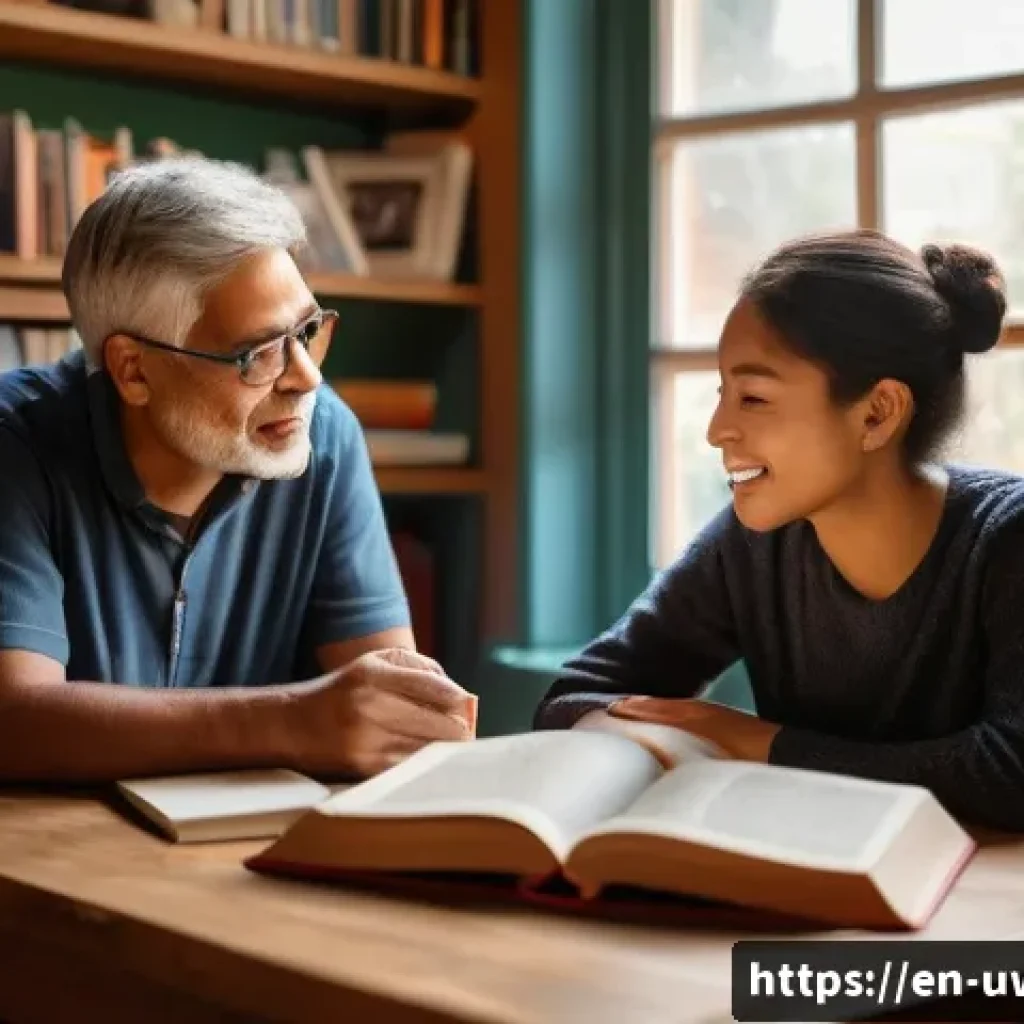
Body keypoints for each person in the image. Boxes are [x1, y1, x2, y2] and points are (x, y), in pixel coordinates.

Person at [0, 157, 474, 784]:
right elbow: (15, 721)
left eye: (308, 330)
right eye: (258, 353)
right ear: (133, 370)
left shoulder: (324, 434)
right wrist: (291, 722)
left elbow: (390, 710)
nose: (307, 378)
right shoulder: (16, 444)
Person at [534, 228, 1024, 832]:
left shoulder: (1008, 538)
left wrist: (759, 742)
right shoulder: (751, 545)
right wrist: (682, 737)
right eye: (723, 393)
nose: (716, 430)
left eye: (754, 398)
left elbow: (1011, 772)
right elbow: (573, 697)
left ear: (878, 413)